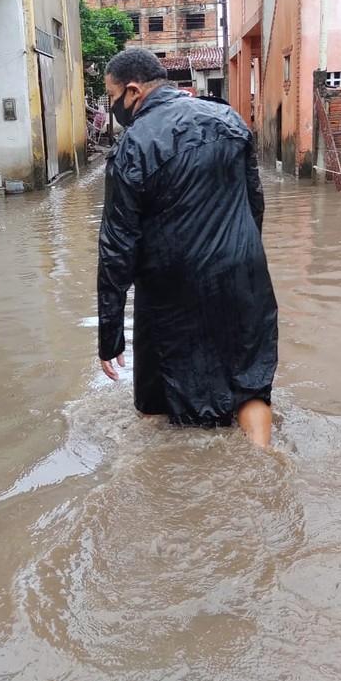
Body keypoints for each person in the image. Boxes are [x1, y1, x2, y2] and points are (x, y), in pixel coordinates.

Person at [97, 49, 279, 447]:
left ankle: (156, 474)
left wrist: (109, 334)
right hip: (244, 271)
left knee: (156, 396)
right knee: (248, 381)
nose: (113, 108)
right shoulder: (229, 118)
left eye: (112, 97)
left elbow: (116, 246)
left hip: (171, 286)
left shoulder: (133, 145)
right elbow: (254, 202)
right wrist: (244, 255)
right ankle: (266, 461)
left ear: (132, 92)